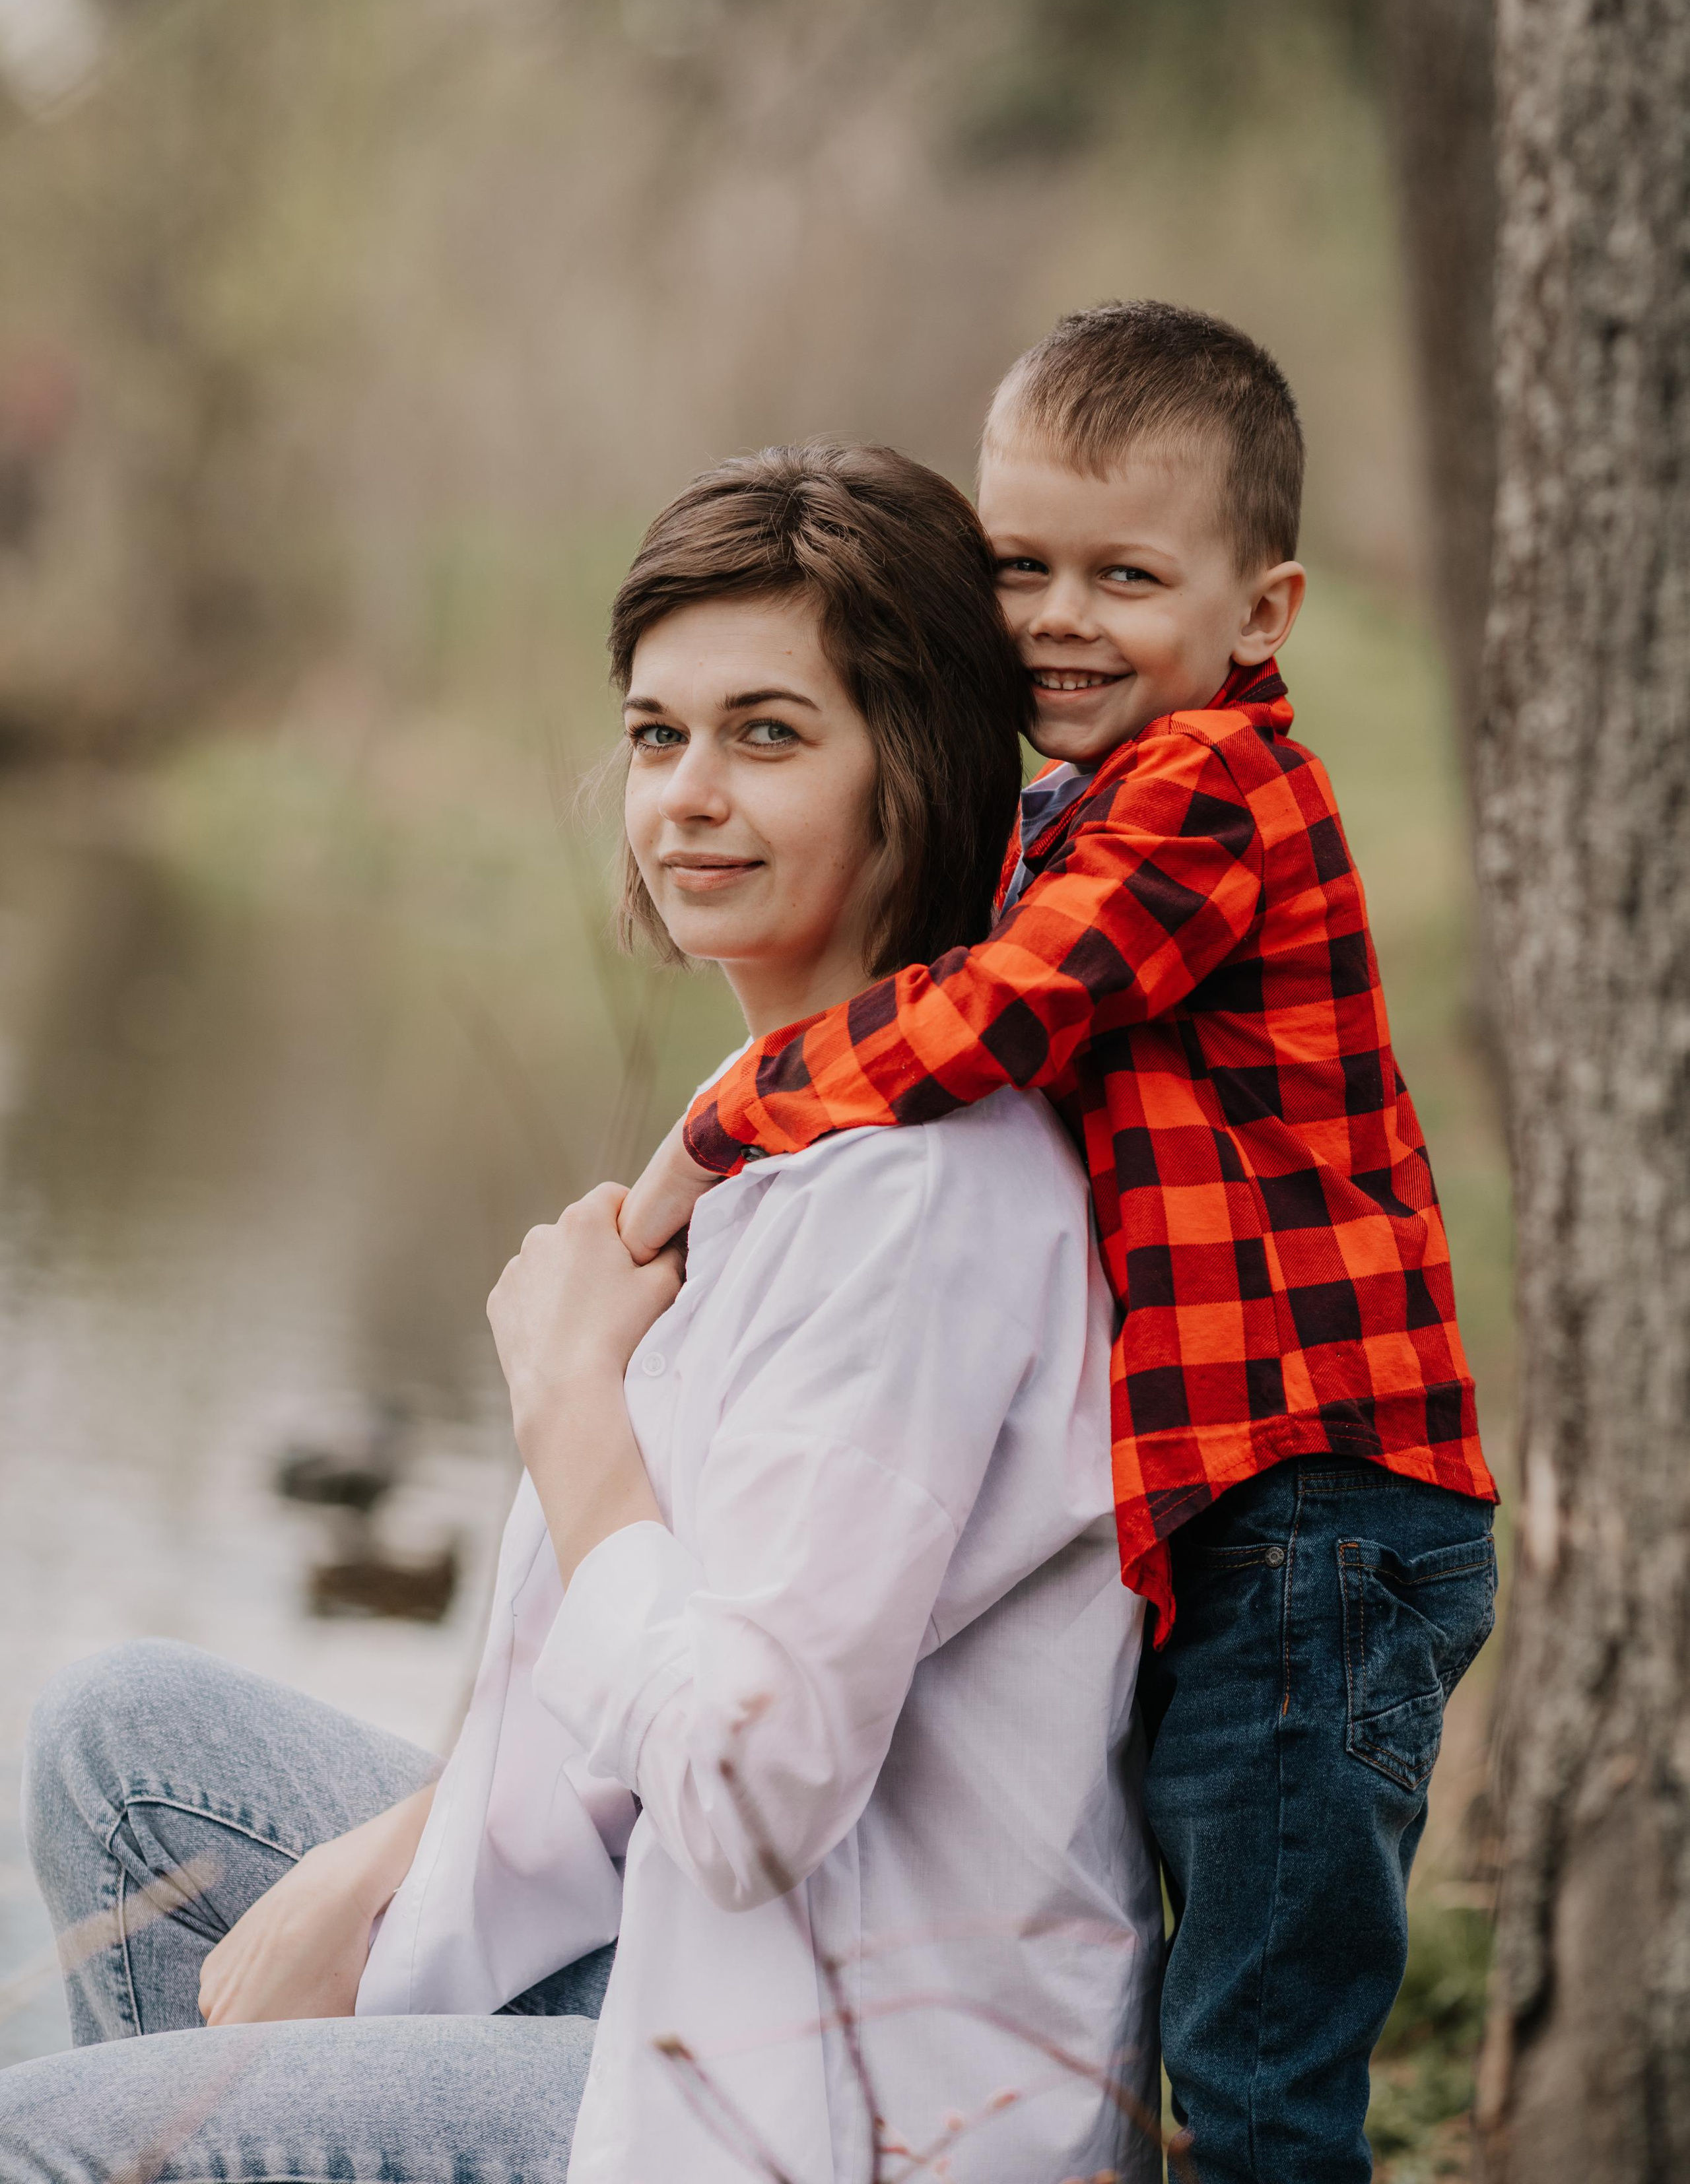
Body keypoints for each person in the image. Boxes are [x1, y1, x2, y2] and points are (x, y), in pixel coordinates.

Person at [1, 444, 1161, 2184]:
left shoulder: (918, 1201)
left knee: (51, 2145)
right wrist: (396, 1852)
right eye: (655, 733)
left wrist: (567, 1403)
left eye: (767, 735)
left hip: (852, 2103)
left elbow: (749, 1793)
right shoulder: (779, 1112)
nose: (687, 791)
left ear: (911, 772)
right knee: (124, 1747)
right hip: (713, 1966)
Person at [619, 305, 1501, 2184]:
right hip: (1258, 1519)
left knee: (1263, 2072)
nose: (1061, 620)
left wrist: (738, 1108)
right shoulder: (1075, 813)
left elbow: (1005, 1013)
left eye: (1128, 575)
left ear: (1260, 614)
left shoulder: (1208, 799)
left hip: (1321, 1517)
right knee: (1215, 2010)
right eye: (1020, 566)